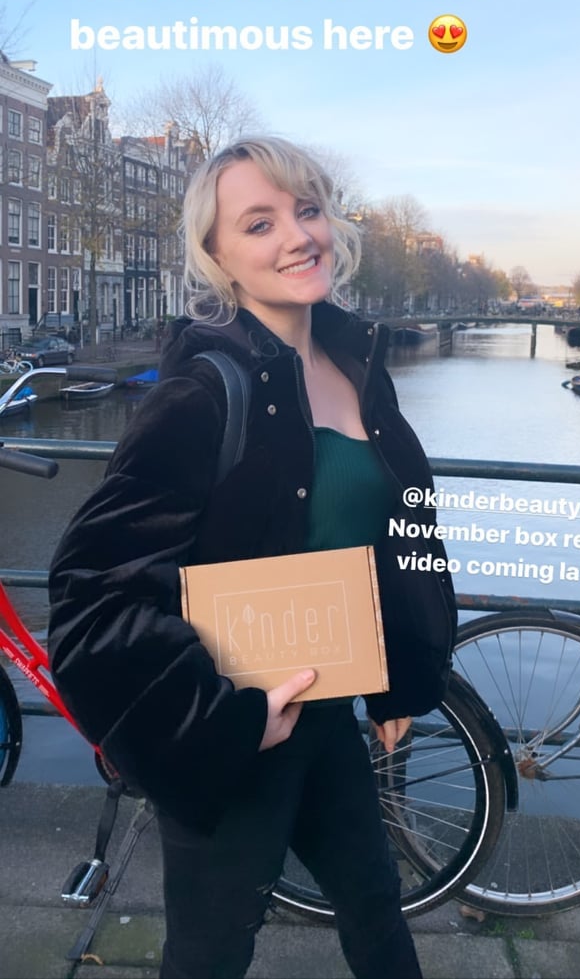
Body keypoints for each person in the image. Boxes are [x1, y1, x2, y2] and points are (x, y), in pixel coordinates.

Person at [48, 136, 458, 979]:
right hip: (241, 731)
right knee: (210, 954)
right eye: (260, 223)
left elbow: (399, 528)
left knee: (378, 910)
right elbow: (91, 596)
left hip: (331, 712)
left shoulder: (359, 367)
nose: (297, 237)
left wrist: (400, 677)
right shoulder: (202, 395)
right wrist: (220, 718)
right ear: (217, 255)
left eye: (308, 210)